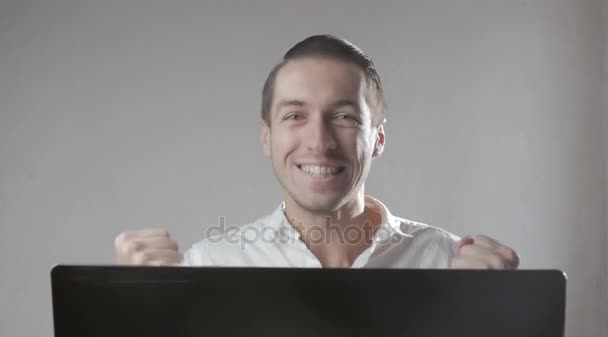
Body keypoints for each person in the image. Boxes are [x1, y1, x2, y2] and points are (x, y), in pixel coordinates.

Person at [114, 35, 519, 270]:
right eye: (295, 116)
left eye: (343, 116)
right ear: (266, 137)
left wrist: (505, 314)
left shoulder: (450, 264)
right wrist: (132, 309)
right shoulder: (208, 266)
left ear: (377, 138)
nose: (320, 142)